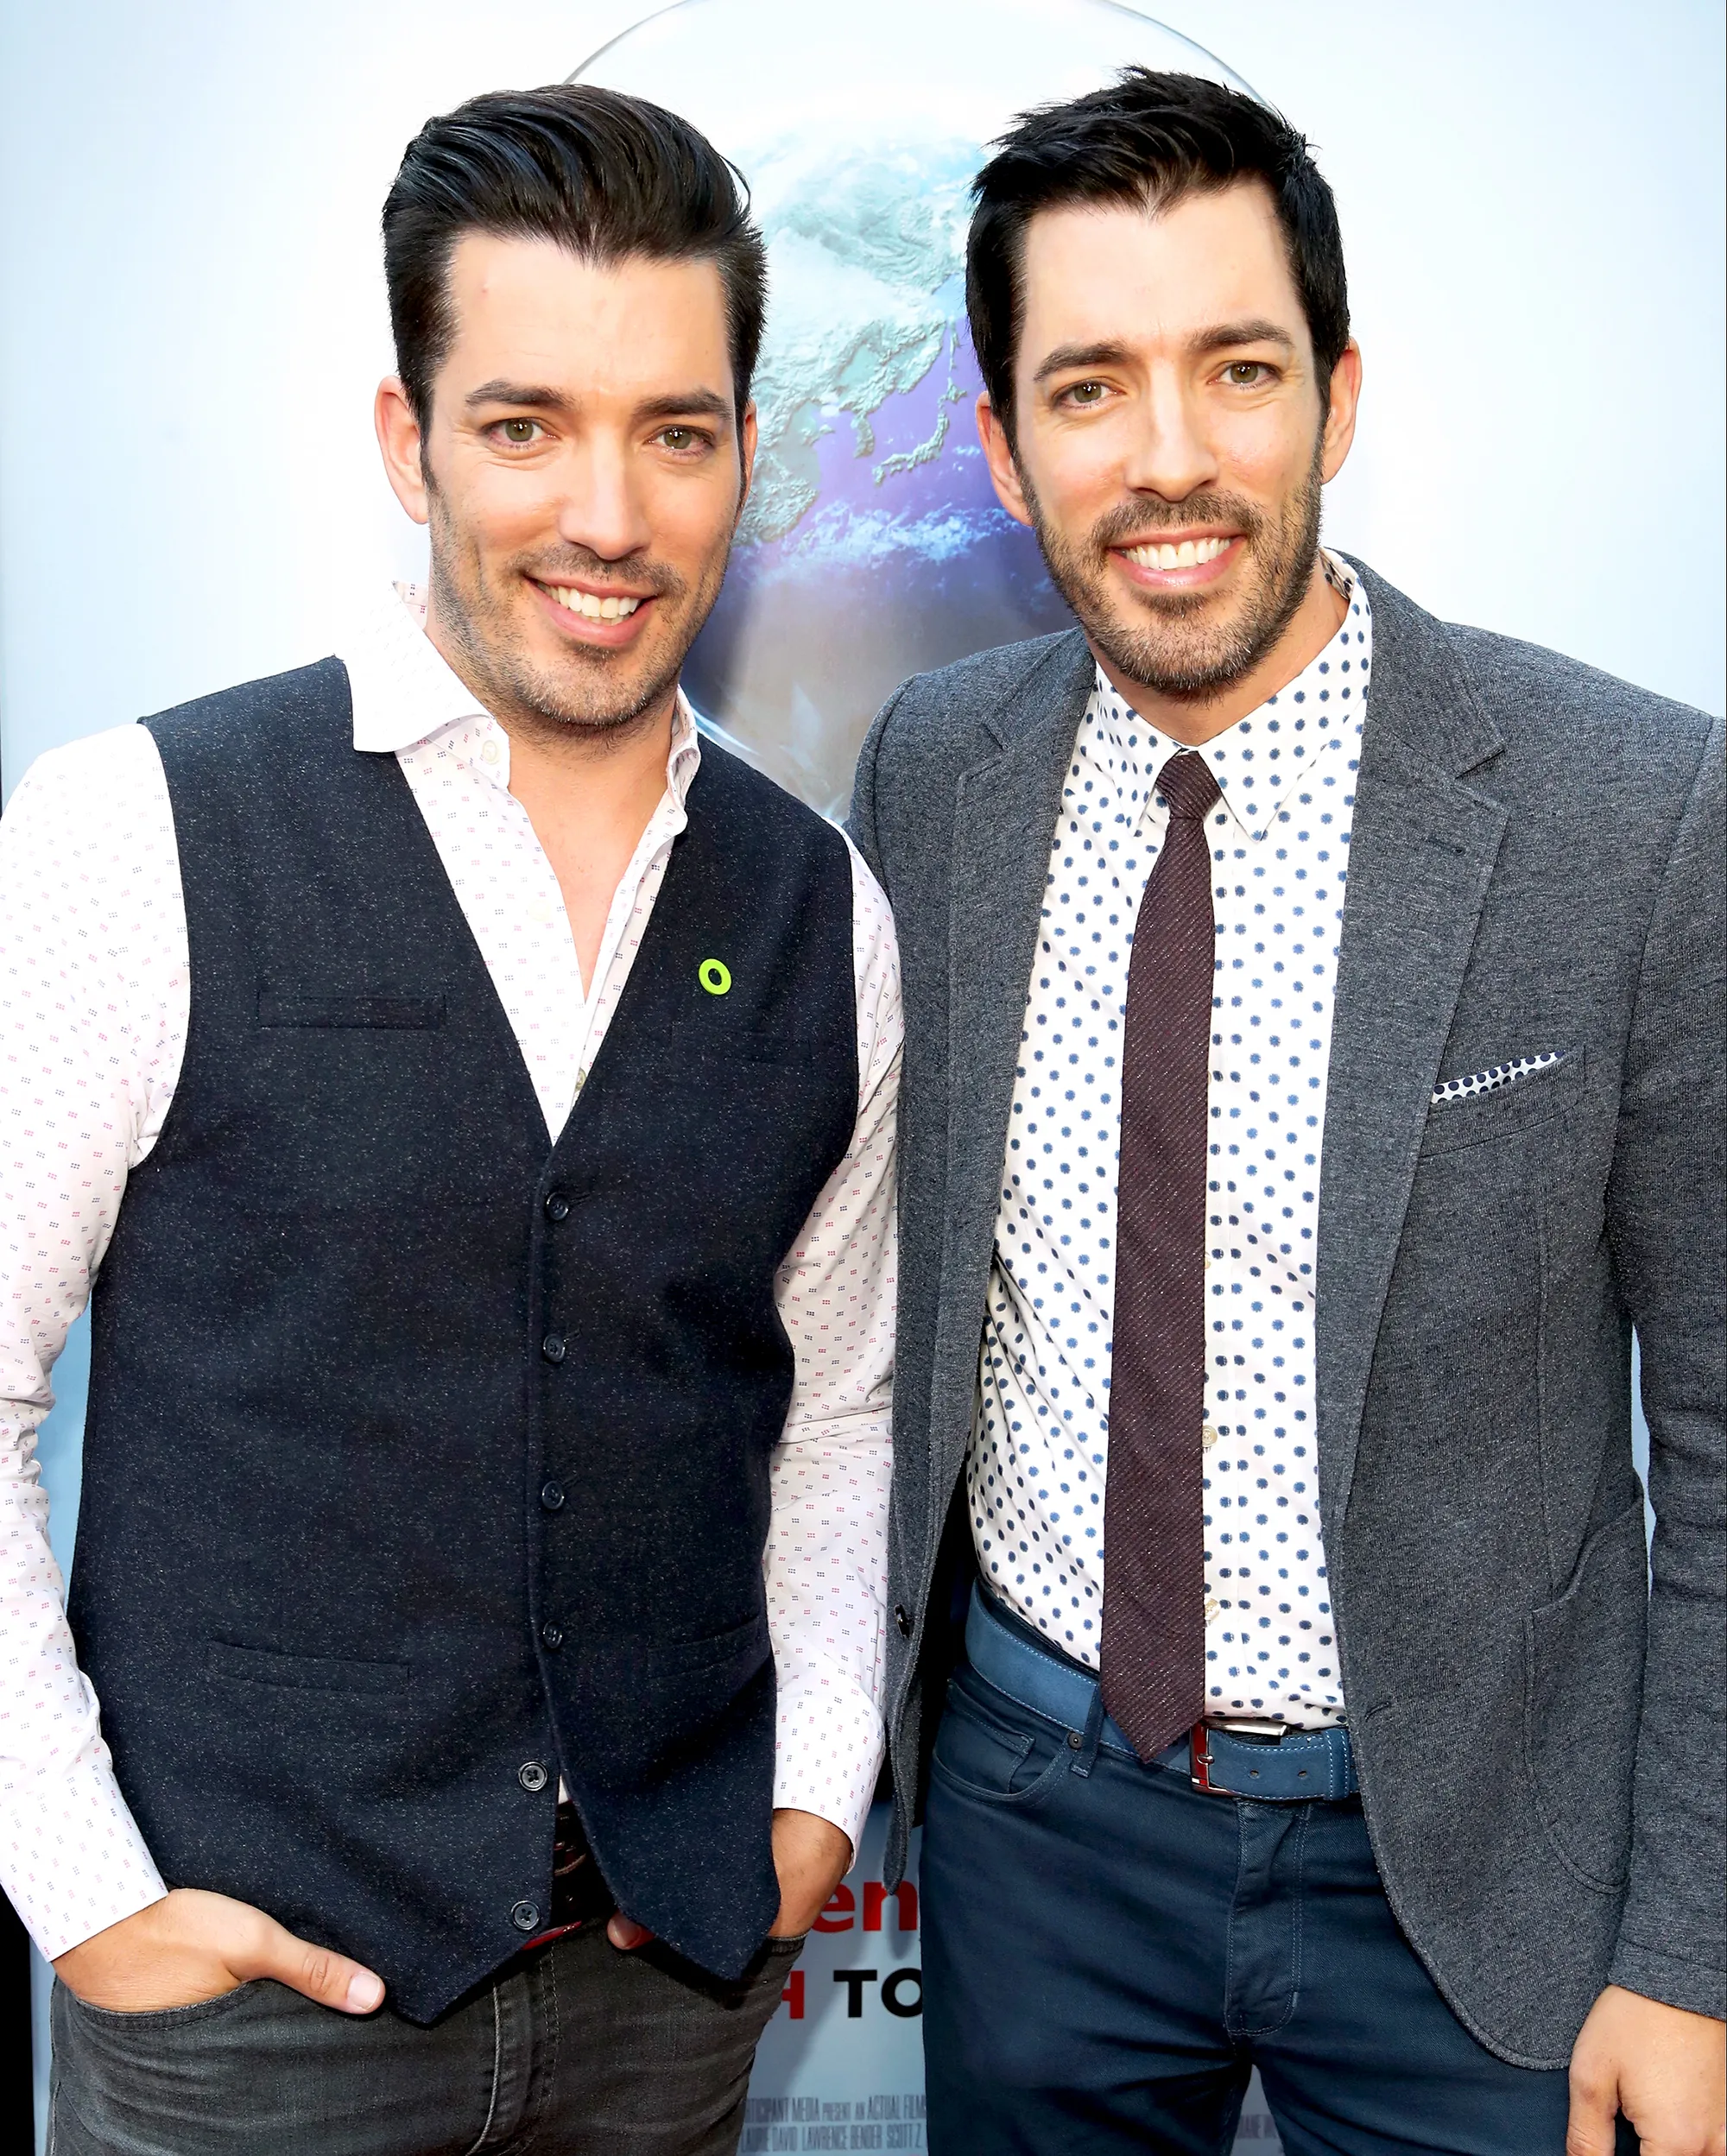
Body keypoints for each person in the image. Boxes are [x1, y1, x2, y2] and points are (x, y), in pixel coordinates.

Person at [2, 84, 900, 2155]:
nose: (608, 511)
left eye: (675, 431)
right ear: (408, 441)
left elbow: (835, 1409)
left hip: (669, 2004)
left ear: (745, 459)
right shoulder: (133, 832)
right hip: (249, 2025)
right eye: (525, 425)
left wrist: (811, 1793)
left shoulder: (815, 911)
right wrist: (85, 1889)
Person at [847, 67, 1724, 2156]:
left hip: (1479, 1869)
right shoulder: (932, 776)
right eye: (1088, 388)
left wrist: (1690, 1951)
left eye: (1233, 371)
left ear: (1335, 397)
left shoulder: (1633, 815)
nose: (1168, 460)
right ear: (999, 447)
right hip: (1033, 1828)